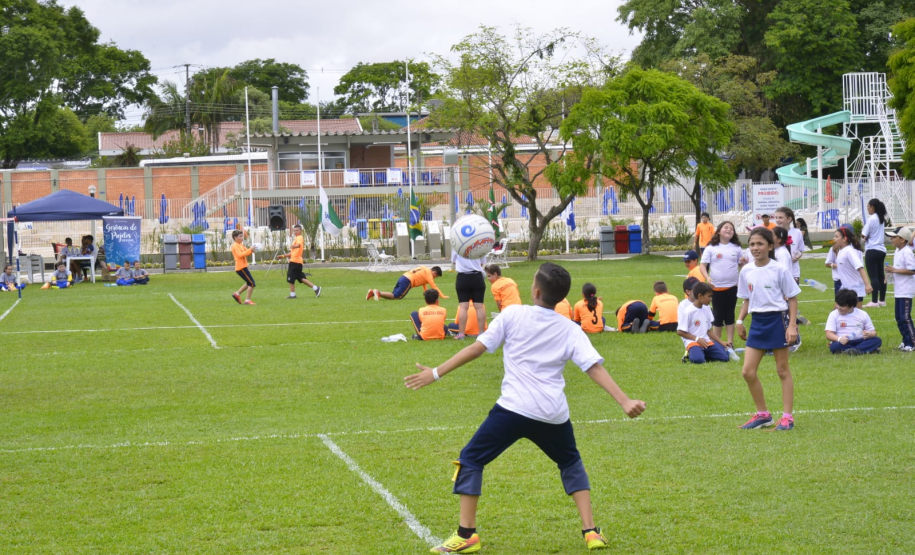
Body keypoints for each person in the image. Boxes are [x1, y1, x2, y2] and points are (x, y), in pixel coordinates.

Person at [404, 262, 646, 554]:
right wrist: (624, 401)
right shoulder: (570, 328)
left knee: (470, 459)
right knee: (570, 463)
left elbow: (475, 348)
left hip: (512, 411)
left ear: (536, 290)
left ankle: (467, 534)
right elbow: (592, 367)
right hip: (552, 414)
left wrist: (435, 373)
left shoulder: (513, 314)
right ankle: (591, 531)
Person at [736, 227, 801, 431]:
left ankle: (787, 418)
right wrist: (739, 321)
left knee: (782, 370)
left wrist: (792, 326)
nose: (755, 248)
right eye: (752, 244)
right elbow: (747, 299)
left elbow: (792, 298)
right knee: (747, 371)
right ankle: (763, 415)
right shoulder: (746, 270)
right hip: (757, 323)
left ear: (770, 246)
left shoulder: (779, 269)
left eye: (760, 244)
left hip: (777, 321)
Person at [699, 221, 744, 347]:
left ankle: (730, 343)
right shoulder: (711, 248)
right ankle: (717, 343)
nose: (729, 229)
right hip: (716, 287)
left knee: (730, 314)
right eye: (726, 227)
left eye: (731, 228)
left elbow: (742, 265)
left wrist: (744, 263)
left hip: (732, 286)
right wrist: (707, 277)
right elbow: (702, 265)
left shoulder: (736, 248)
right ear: (718, 231)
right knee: (717, 315)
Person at [678, 282, 730, 363]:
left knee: (725, 358)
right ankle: (689, 354)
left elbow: (708, 330)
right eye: (709, 296)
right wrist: (697, 339)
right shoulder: (688, 311)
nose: (711, 299)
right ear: (700, 296)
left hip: (706, 342)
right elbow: (680, 331)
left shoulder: (707, 308)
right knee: (698, 360)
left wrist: (721, 342)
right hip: (693, 342)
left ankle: (703, 353)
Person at [884, 226, 915, 351]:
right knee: (899, 317)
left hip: (906, 290)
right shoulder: (897, 251)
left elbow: (912, 270)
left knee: (905, 317)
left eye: (894, 237)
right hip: (899, 290)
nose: (891, 239)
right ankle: (905, 340)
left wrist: (895, 270)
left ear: (902, 239)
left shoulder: (907, 252)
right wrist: (890, 274)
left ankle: (912, 343)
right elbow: (897, 268)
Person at [825, 289, 882, 355]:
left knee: (877, 340)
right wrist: (839, 338)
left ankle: (853, 351)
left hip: (860, 340)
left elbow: (874, 332)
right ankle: (865, 350)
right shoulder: (833, 314)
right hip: (844, 342)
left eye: (842, 306)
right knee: (834, 346)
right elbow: (828, 334)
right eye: (838, 304)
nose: (839, 308)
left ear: (852, 306)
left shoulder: (863, 314)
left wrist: (869, 334)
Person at [277, 224, 321, 299]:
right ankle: (316, 288)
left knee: (290, 278)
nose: (295, 232)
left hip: (295, 262)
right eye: (294, 231)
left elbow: (299, 245)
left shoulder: (299, 237)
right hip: (296, 261)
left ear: (301, 231)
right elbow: (292, 253)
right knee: (301, 278)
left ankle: (292, 295)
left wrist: (294, 246)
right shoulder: (296, 238)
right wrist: (283, 256)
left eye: (297, 230)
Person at [452, 249, 487, 341]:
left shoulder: (457, 246)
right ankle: (481, 332)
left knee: (463, 307)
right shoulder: (479, 246)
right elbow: (482, 262)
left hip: (463, 277)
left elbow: (453, 261)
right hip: (477, 277)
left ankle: (461, 333)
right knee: (479, 306)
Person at [834, 226, 873, 307]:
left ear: (844, 239)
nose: (834, 239)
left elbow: (860, 268)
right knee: (836, 313)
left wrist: (867, 284)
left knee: (855, 317)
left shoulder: (849, 251)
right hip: (845, 288)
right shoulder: (841, 251)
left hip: (855, 289)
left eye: (836, 237)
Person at [862, 198, 889, 307]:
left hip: (872, 249)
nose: (867, 209)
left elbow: (864, 235)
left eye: (868, 207)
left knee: (873, 276)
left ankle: (874, 301)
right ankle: (882, 300)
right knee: (880, 276)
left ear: (872, 207)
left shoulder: (872, 218)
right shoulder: (880, 218)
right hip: (881, 249)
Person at [368, 266, 445, 301]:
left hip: (403, 277)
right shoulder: (429, 275)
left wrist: (425, 293)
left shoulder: (424, 268)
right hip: (408, 281)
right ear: (434, 272)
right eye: (436, 276)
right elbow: (434, 286)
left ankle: (373, 293)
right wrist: (442, 296)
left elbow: (424, 283)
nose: (434, 278)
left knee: (394, 294)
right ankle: (378, 292)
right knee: (397, 296)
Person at [230, 229, 256, 305]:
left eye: (242, 236)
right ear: (235, 237)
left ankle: (237, 294)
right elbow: (240, 255)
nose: (242, 238)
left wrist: (251, 250)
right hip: (240, 268)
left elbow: (246, 251)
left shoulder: (241, 245)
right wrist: (249, 250)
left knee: (249, 282)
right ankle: (247, 300)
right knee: (251, 283)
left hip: (243, 267)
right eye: (240, 236)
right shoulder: (235, 246)